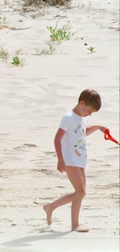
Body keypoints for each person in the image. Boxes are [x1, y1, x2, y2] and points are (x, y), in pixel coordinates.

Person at [43, 89, 107, 232]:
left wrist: (97, 128)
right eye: (89, 111)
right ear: (81, 103)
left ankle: (50, 207)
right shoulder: (68, 117)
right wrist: (60, 159)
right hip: (69, 158)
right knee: (80, 191)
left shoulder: (82, 118)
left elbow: (82, 133)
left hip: (80, 158)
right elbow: (57, 138)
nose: (89, 114)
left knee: (81, 192)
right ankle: (74, 225)